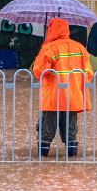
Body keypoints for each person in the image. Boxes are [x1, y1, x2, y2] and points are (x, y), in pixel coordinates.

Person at [32, 18, 93, 158]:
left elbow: (39, 71)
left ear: (51, 30)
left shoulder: (49, 48)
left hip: (53, 98)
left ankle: (42, 162)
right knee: (71, 132)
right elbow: (89, 73)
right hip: (73, 97)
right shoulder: (79, 48)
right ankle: (71, 163)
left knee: (46, 131)